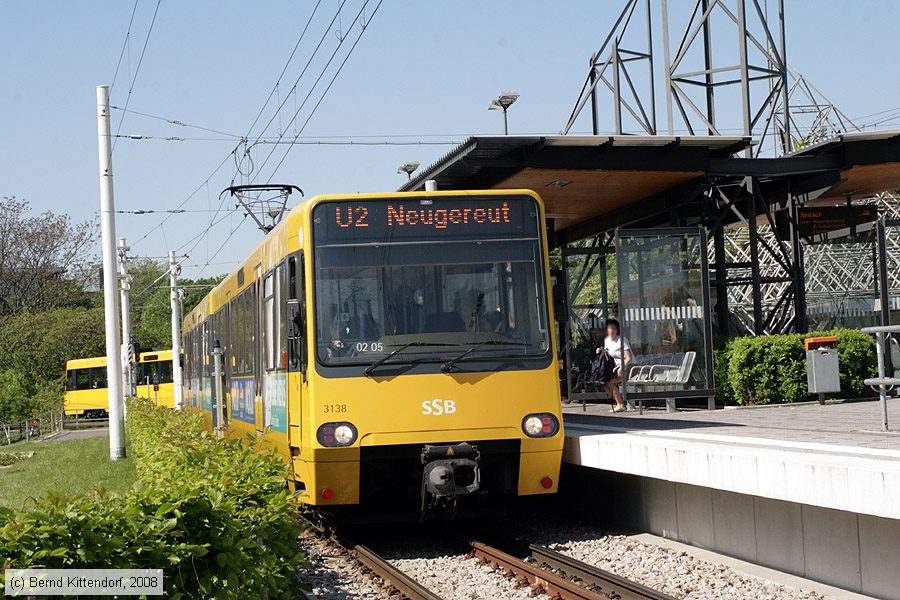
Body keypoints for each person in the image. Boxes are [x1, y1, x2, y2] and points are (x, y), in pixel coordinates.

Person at [603, 318, 632, 413]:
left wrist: (621, 368)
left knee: (610, 382)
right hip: (615, 367)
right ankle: (618, 401)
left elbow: (629, 358)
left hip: (627, 366)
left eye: (613, 328)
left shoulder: (622, 340)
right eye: (609, 328)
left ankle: (620, 404)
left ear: (617, 330)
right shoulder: (607, 340)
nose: (611, 331)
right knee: (604, 383)